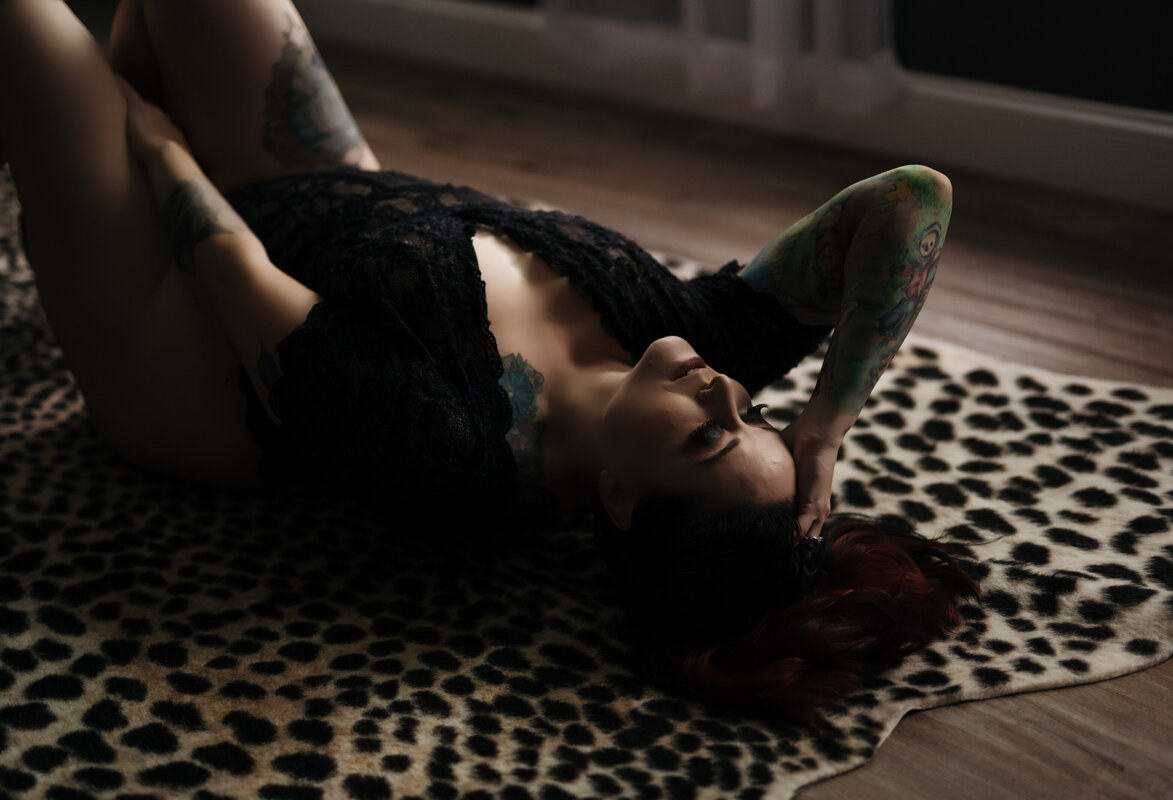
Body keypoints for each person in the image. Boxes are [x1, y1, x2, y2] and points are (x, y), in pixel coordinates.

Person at [0, 0, 976, 719]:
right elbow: (908, 200)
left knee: (34, 29)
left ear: (623, 499)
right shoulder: (696, 339)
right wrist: (824, 423)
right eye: (754, 414)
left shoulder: (459, 441)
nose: (728, 389)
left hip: (183, 350)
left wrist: (155, 135)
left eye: (710, 438)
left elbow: (228, 268)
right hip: (338, 204)